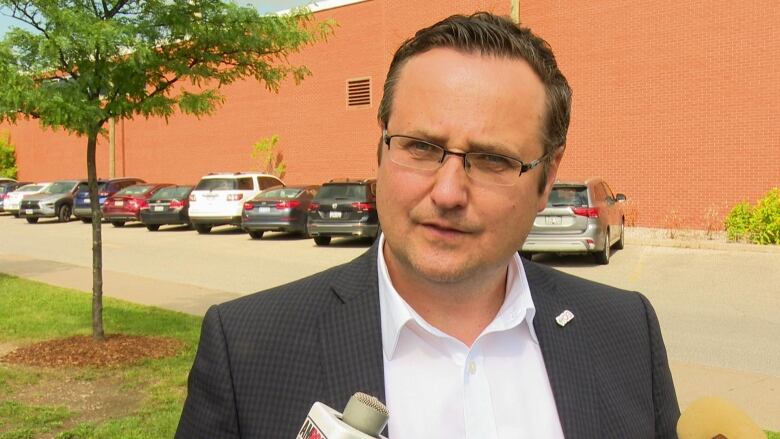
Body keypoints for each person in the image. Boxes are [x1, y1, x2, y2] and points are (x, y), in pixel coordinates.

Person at [176, 12, 680, 439]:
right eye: (420, 147)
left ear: (546, 178)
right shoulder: (250, 351)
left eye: (492, 160)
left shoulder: (626, 333)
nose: (447, 193)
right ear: (380, 150)